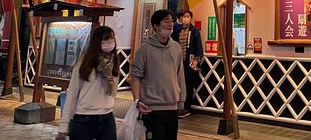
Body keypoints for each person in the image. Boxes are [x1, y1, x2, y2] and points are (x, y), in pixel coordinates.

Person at [131, 9, 186, 140]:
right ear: (156, 26)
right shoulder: (144, 49)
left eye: (171, 21)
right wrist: (137, 101)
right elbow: (135, 77)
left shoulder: (176, 47)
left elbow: (180, 75)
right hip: (151, 108)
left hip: (172, 106)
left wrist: (181, 100)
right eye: (166, 21)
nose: (170, 24)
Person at [57, 26, 119, 140]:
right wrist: (64, 126)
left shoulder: (114, 62)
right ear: (97, 42)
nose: (110, 42)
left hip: (107, 117)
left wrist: (110, 106)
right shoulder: (84, 63)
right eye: (106, 39)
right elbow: (72, 94)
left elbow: (114, 91)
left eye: (112, 39)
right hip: (84, 118)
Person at [173, 10, 203, 118]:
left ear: (191, 18)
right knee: (178, 84)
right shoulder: (177, 31)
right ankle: (177, 106)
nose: (185, 18)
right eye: (184, 17)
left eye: (187, 16)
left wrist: (195, 61)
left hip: (189, 63)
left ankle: (187, 107)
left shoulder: (194, 31)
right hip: (178, 63)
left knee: (188, 85)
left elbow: (198, 47)